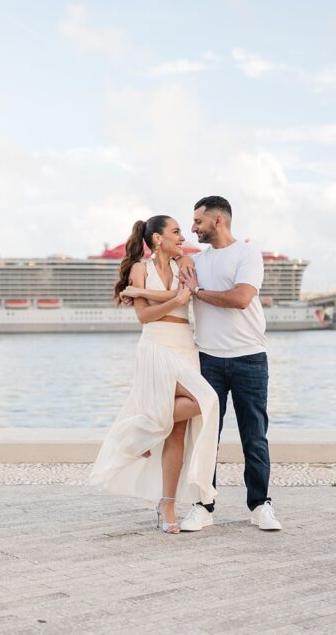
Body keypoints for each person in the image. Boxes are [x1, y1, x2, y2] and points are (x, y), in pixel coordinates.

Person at [88, 215, 220, 533]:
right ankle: (144, 428)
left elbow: (184, 295)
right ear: (158, 238)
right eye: (175, 231)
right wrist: (168, 296)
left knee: (178, 429)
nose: (182, 235)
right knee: (207, 399)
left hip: (185, 345)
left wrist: (143, 292)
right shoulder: (139, 269)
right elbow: (145, 316)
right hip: (156, 345)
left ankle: (165, 495)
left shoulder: (185, 262)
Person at [178, 196, 282, 531]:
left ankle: (260, 505)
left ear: (217, 220)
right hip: (207, 358)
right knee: (206, 436)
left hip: (249, 356)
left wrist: (198, 293)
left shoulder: (247, 254)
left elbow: (240, 298)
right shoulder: (196, 261)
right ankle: (203, 506)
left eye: (197, 222)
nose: (193, 228)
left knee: (255, 436)